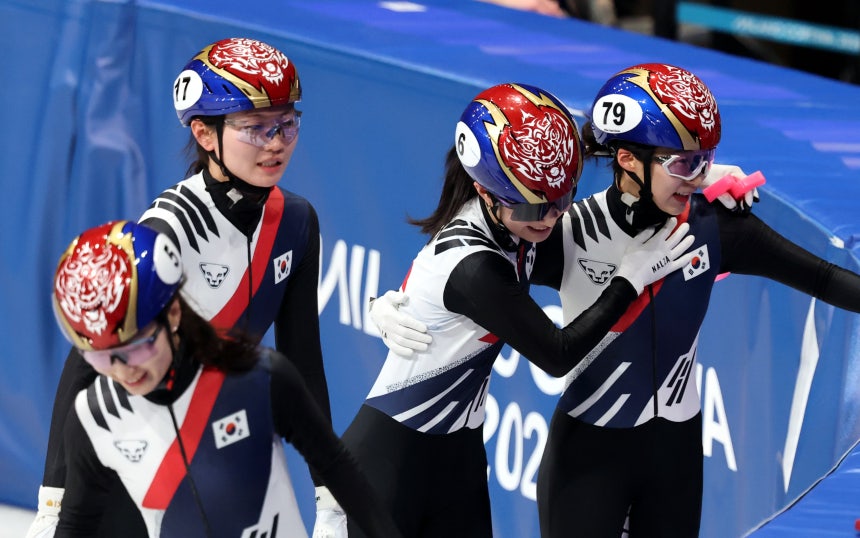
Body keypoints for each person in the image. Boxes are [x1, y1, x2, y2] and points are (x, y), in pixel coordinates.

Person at [340, 81, 697, 538]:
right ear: (484, 191)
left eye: (561, 200)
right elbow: (558, 353)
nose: (549, 218)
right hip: (388, 461)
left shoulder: (511, 222)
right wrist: (628, 280)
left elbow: (613, 150)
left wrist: (702, 171)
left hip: (460, 457)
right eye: (533, 207)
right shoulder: (475, 267)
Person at [529, 63, 860, 537]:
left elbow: (825, 278)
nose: (697, 177)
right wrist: (406, 299)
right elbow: (480, 271)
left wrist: (689, 173)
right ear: (627, 160)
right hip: (589, 455)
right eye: (684, 163)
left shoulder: (714, 224)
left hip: (675, 454)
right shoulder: (569, 232)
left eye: (705, 160)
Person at [28, 37, 338, 538]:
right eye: (255, 128)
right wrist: (53, 501)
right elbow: (87, 360)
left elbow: (304, 360)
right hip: (133, 452)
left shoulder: (298, 221)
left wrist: (329, 497)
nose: (277, 141)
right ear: (205, 133)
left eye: (287, 123)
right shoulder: (170, 228)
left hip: (221, 442)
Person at [47, 220, 403, 538]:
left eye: (138, 346)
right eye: (101, 357)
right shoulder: (93, 418)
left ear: (172, 312)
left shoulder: (259, 377)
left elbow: (338, 468)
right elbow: (77, 524)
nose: (124, 370)